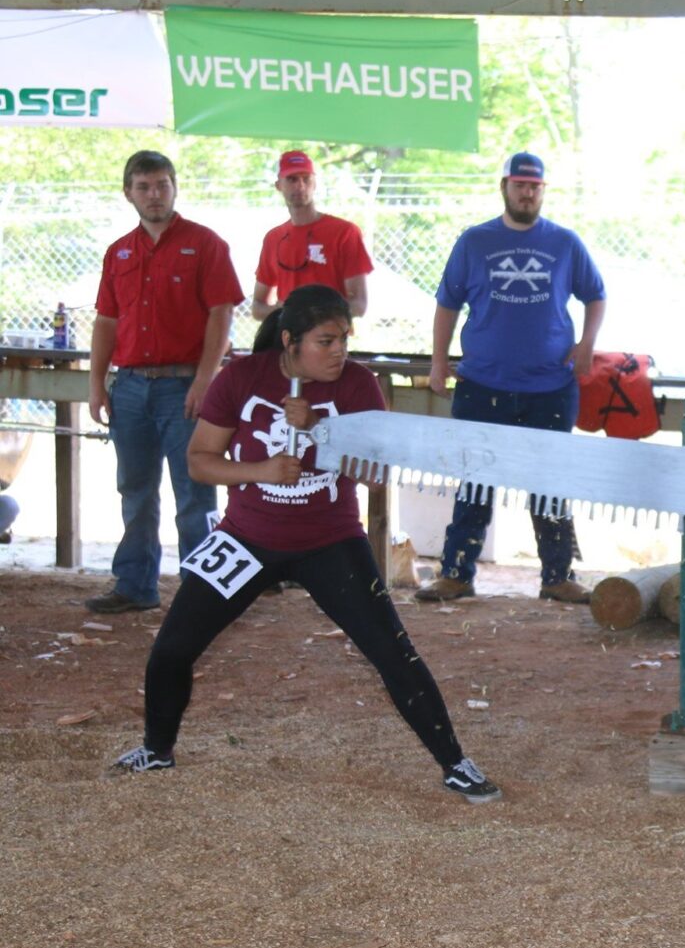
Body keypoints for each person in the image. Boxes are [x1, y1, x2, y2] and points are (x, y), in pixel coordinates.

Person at [109, 285, 500, 804]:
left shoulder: (359, 386)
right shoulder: (242, 377)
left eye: (344, 339)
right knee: (171, 649)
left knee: (392, 652)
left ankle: (455, 763)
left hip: (330, 541)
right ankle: (157, 749)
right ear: (290, 341)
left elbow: (377, 475)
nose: (339, 351)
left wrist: (318, 429)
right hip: (246, 537)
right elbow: (200, 460)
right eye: (326, 340)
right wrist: (262, 470)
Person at [415, 152, 606, 605]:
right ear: (505, 187)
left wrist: (587, 345)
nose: (527, 192)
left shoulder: (564, 242)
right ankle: (456, 573)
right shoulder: (475, 240)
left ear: (543, 190)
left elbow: (595, 296)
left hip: (550, 386)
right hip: (483, 383)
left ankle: (558, 576)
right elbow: (447, 303)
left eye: (534, 186)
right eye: (519, 184)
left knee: (550, 483)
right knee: (475, 481)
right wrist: (438, 362)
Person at [86, 150, 244, 614]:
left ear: (175, 187)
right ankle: (135, 585)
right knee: (134, 489)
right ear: (128, 193)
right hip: (130, 386)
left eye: (161, 185)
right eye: (143, 187)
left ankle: (206, 594)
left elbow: (223, 313)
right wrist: (96, 384)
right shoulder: (119, 252)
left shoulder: (205, 244)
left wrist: (205, 378)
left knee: (195, 490)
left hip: (184, 386)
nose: (154, 195)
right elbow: (106, 320)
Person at [250, 150, 374, 320]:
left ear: (315, 184)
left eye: (306, 179)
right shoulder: (273, 238)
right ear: (279, 185)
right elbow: (257, 308)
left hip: (329, 340)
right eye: (292, 179)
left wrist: (314, 315)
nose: (300, 186)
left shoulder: (344, 232)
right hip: (287, 340)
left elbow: (359, 305)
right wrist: (283, 312)